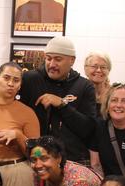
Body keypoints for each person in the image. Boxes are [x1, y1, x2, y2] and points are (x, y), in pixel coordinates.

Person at [19, 36, 97, 165]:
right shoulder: (29, 79)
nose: (52, 64)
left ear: (72, 60)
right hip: (37, 158)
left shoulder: (84, 86)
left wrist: (62, 104)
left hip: (72, 160)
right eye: (48, 58)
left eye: (58, 59)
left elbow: (88, 129)